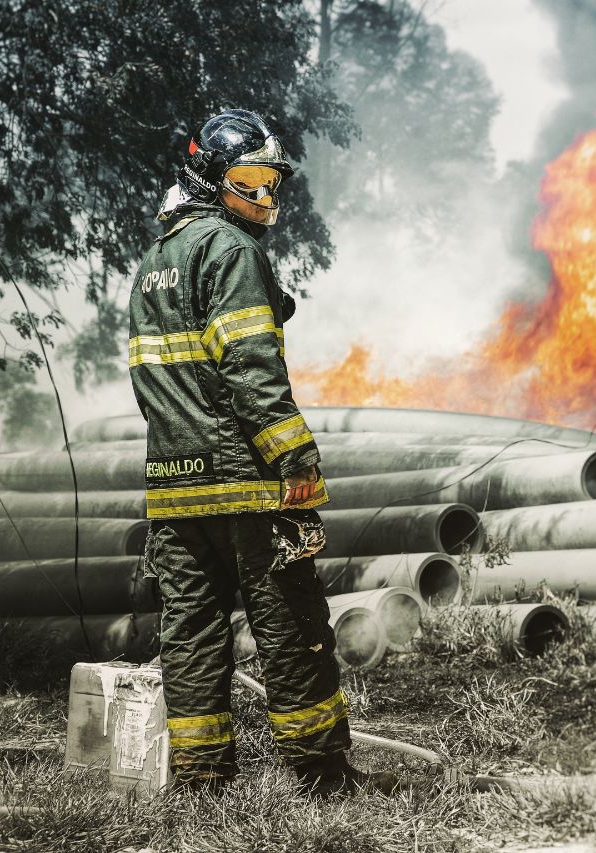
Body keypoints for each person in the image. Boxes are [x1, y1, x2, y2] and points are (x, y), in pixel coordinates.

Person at [128, 109, 396, 796]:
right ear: (211, 179)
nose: (265, 197)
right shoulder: (230, 250)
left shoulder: (155, 263)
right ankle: (322, 777)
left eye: (271, 182)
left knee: (190, 636)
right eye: (249, 181)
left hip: (174, 487)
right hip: (245, 483)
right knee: (292, 625)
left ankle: (200, 781)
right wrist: (295, 454)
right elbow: (249, 365)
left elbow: (155, 382)